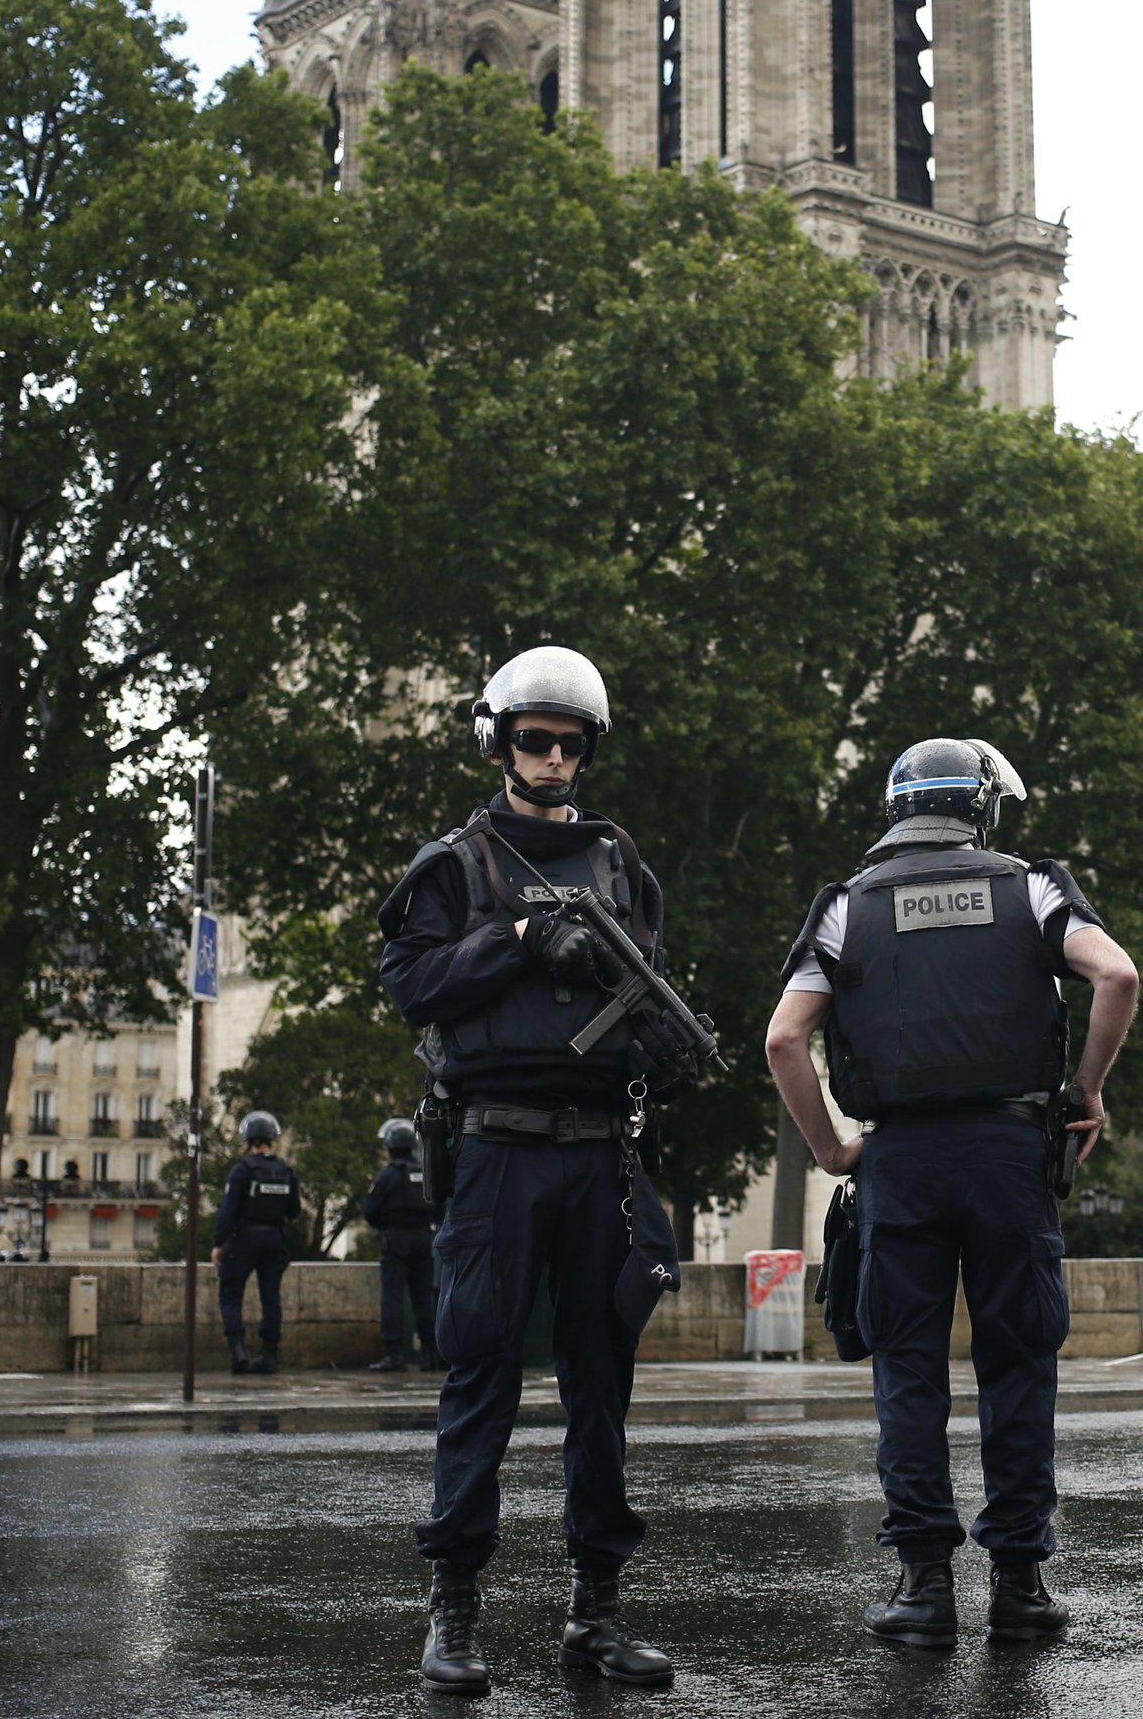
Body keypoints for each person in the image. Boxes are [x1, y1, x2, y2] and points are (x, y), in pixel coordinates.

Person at [763, 737, 1140, 1651]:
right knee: (1019, 1364)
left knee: (908, 1369)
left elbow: (783, 1041)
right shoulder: (1031, 888)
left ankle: (924, 1589)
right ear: (980, 810)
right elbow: (1117, 976)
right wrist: (1085, 1091)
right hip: (1011, 1155)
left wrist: (831, 1148)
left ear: (898, 810)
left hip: (902, 1163)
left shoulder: (849, 908)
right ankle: (1020, 1587)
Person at [376, 644, 703, 1695]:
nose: (553, 756)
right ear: (500, 740)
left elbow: (646, 974)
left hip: (602, 1151)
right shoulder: (456, 863)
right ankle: (455, 1612)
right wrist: (520, 937)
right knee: (481, 1375)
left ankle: (596, 1611)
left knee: (603, 1385)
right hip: (500, 1149)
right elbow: (413, 983)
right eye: (535, 737)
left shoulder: (620, 863)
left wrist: (658, 1039)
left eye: (570, 741)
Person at [213, 1110, 302, 1376]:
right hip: (275, 1239)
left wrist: (219, 1242)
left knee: (230, 1294)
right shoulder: (286, 1170)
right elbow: (294, 1211)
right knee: (271, 1297)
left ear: (248, 1139)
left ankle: (238, 1353)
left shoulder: (243, 1170)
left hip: (245, 1238)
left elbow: (228, 1210)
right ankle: (269, 1355)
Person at [363, 1115, 440, 1372]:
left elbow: (370, 1211)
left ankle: (394, 1354)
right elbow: (438, 1207)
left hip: (396, 1240)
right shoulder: (424, 1171)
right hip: (423, 1239)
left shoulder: (389, 1175)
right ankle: (430, 1354)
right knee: (424, 1297)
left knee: (393, 1296)